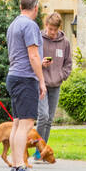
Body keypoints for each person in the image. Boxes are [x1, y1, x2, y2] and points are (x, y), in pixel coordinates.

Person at [5, 0, 48, 171]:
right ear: (36, 7)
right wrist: (41, 80)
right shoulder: (30, 26)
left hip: (14, 75)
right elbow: (33, 55)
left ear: (21, 6)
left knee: (17, 123)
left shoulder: (14, 24)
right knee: (26, 125)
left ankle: (15, 165)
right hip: (25, 78)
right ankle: (20, 166)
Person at [34, 11, 73, 162]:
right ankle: (38, 150)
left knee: (49, 119)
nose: (52, 32)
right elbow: (31, 58)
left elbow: (68, 64)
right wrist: (41, 64)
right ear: (46, 26)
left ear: (58, 28)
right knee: (42, 116)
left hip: (55, 84)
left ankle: (43, 151)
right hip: (41, 83)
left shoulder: (65, 42)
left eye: (54, 30)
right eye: (50, 29)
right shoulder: (38, 39)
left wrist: (61, 76)